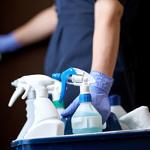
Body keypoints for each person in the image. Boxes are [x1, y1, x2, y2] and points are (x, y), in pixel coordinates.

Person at [0, 0, 131, 124]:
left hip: (92, 78)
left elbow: (109, 6)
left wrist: (99, 84)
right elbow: (62, 10)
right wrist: (10, 42)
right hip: (64, 85)